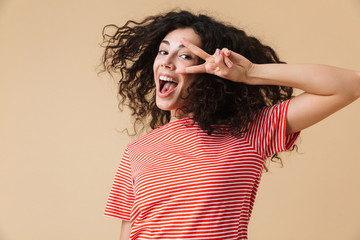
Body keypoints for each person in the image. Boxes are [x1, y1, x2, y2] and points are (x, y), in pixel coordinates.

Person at [101, 10, 360, 240]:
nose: (167, 62)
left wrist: (250, 73)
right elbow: (129, 232)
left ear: (211, 72)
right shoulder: (136, 151)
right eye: (163, 51)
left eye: (185, 56)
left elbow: (350, 85)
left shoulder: (251, 131)